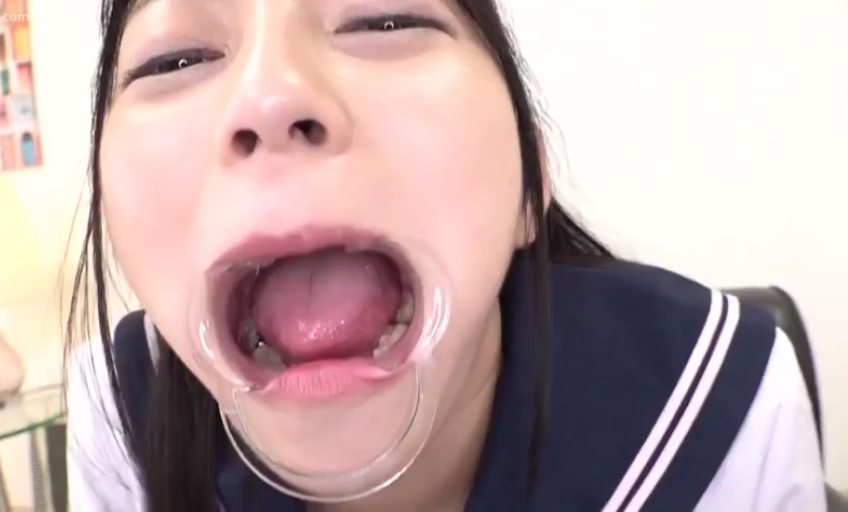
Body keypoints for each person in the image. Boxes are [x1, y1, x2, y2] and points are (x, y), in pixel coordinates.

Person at [66, 0, 827, 511]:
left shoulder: (726, 405)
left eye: (385, 19)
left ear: (529, 187)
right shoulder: (120, 414)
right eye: (175, 60)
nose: (271, 97)